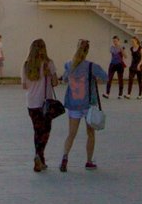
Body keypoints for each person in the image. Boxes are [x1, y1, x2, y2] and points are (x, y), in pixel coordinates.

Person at [58, 38, 106, 173]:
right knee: (90, 133)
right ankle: (89, 161)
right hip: (88, 104)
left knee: (71, 134)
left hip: (73, 104)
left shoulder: (69, 64)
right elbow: (105, 77)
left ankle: (65, 157)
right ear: (87, 51)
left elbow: (65, 79)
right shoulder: (91, 66)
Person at [20, 39, 60, 172]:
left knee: (37, 131)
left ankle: (40, 158)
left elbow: (24, 86)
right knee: (45, 131)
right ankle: (39, 156)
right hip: (45, 103)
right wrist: (48, 75)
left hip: (31, 103)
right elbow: (55, 83)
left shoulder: (26, 65)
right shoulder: (49, 64)